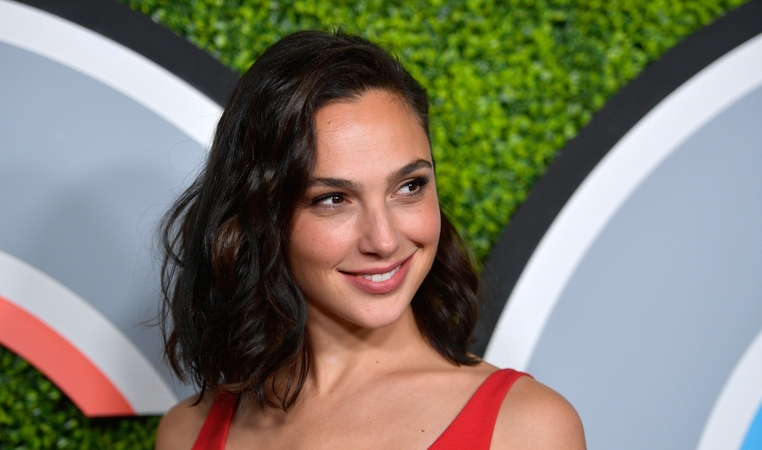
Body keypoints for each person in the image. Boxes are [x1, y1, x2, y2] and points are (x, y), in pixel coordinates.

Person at [155, 30, 585, 449]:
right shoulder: (185, 433)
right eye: (333, 199)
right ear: (261, 216)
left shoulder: (527, 430)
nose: (384, 240)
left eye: (409, 187)